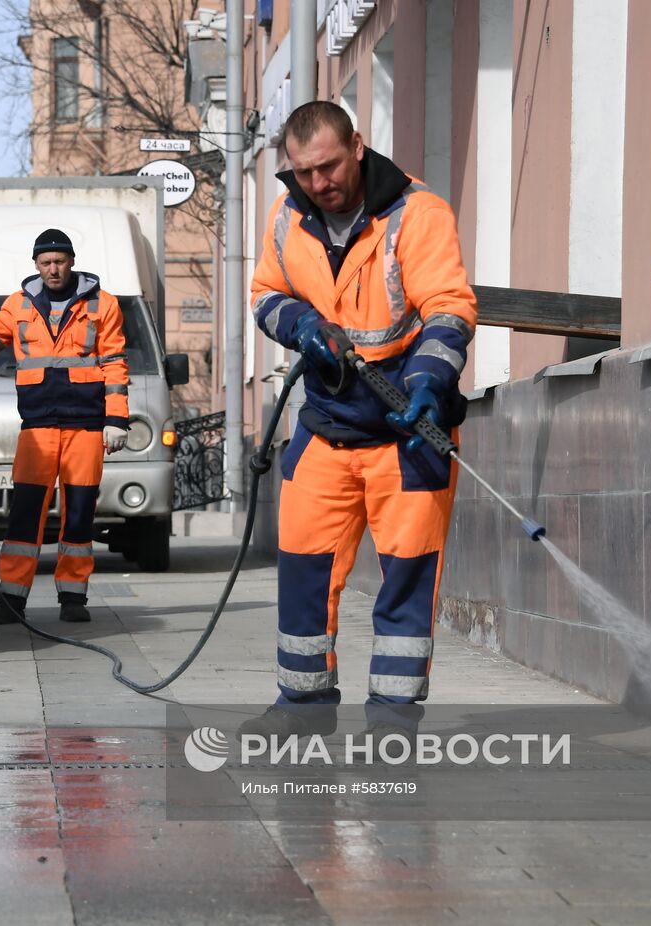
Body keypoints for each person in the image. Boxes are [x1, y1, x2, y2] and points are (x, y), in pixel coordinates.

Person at [240, 101, 477, 739]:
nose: (318, 183)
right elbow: (265, 293)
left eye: (328, 166)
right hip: (328, 423)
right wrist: (301, 325)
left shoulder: (416, 214)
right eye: (304, 172)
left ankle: (392, 724)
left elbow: (449, 309)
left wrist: (429, 379)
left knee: (405, 580)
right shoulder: (288, 215)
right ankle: (301, 710)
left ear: (358, 147)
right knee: (302, 570)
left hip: (408, 433)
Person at [0, 229, 130, 624]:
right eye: (45, 263)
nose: (53, 269)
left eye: (59, 261)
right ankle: (11, 599)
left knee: (79, 512)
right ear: (35, 265)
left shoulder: (103, 304)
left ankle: (73, 597)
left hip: (86, 425)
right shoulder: (18, 305)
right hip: (37, 426)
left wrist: (117, 420)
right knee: (24, 512)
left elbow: (115, 364)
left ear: (72, 261)